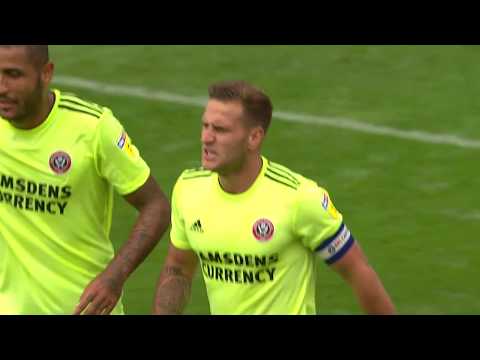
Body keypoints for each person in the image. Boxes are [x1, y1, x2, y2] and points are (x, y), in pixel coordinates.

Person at [153, 80, 395, 315]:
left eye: (220, 129)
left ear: (254, 138)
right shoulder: (189, 189)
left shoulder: (298, 198)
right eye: (205, 126)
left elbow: (358, 271)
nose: (206, 138)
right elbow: (179, 268)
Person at [0, 45, 171, 315]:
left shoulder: (93, 128)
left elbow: (157, 207)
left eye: (13, 74)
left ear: (46, 73)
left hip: (82, 308)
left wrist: (115, 276)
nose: (2, 87)